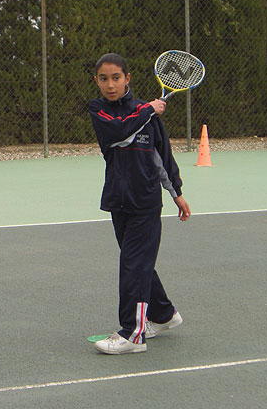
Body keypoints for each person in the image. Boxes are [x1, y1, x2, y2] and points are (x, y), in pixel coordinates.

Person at [88, 53, 191, 355]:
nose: (110, 85)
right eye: (104, 79)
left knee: (134, 264)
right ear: (97, 81)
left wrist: (176, 192)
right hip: (117, 201)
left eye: (116, 78)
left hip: (145, 202)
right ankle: (163, 315)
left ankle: (133, 335)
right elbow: (118, 131)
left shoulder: (148, 113)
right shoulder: (99, 110)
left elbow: (162, 156)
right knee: (138, 262)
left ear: (127, 78)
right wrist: (148, 110)